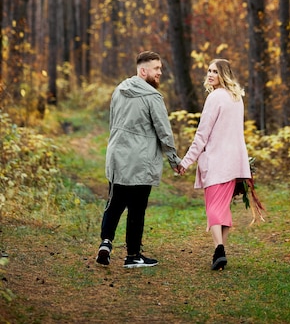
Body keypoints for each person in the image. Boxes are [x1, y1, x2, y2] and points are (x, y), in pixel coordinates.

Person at [96, 50, 181, 269]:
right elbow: (164, 131)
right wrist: (173, 159)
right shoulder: (152, 97)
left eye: (160, 68)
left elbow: (113, 123)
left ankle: (105, 243)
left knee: (114, 203)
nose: (160, 73)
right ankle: (133, 256)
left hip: (117, 157)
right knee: (136, 208)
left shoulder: (119, 90)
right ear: (143, 71)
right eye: (156, 69)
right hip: (140, 160)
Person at [178, 58, 251, 271]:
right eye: (208, 71)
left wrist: (186, 162)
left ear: (223, 75)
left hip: (217, 161)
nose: (210, 75)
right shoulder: (236, 97)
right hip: (234, 161)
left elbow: (202, 135)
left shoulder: (215, 98)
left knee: (213, 208)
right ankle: (220, 251)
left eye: (215, 72)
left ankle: (219, 248)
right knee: (223, 209)